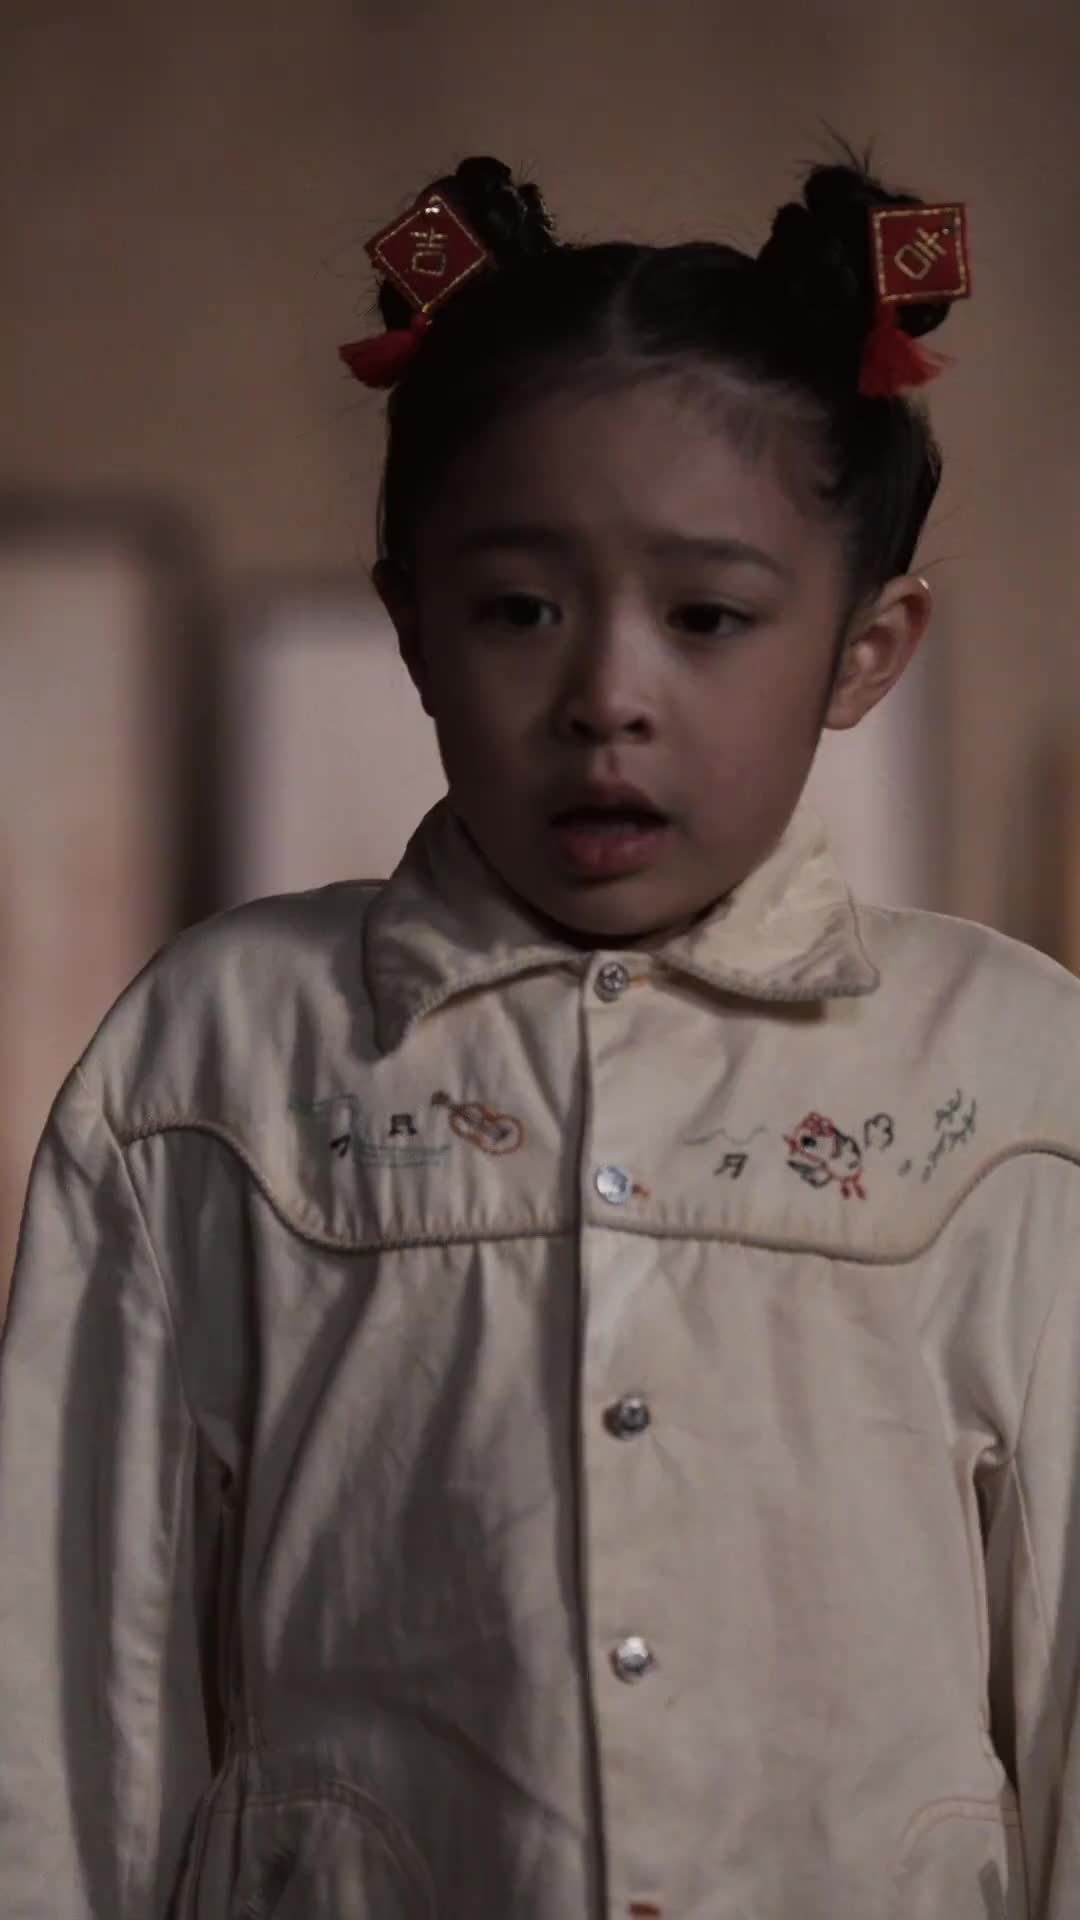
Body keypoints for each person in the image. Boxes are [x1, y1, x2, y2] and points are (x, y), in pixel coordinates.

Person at [0, 149, 1074, 1920]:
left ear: (865, 650)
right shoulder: (220, 1060)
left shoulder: (1013, 1078)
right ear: (411, 623)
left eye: (709, 617)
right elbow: (65, 1698)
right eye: (519, 610)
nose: (606, 698)